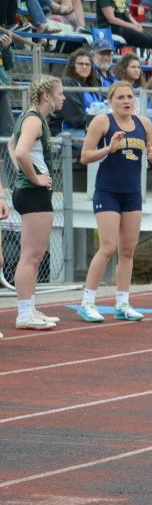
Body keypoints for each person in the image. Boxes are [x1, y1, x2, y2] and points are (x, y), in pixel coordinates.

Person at [76, 83, 152, 324]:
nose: (126, 101)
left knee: (127, 250)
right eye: (121, 97)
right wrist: (109, 148)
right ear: (110, 101)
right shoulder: (102, 122)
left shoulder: (144, 123)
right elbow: (84, 156)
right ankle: (87, 302)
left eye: (130, 97)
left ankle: (123, 303)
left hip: (132, 193)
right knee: (107, 247)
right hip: (107, 192)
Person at [8, 75, 63, 330]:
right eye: (60, 94)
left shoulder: (32, 118)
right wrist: (34, 177)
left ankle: (28, 307)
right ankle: (23, 313)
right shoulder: (33, 119)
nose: (62, 98)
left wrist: (24, 173)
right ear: (47, 97)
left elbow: (11, 144)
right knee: (31, 256)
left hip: (30, 193)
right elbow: (19, 151)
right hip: (33, 193)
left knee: (33, 255)